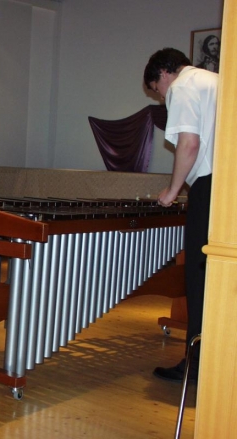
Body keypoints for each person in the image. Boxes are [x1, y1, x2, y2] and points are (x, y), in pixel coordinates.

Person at [143, 48, 218, 383]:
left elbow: (189, 144)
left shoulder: (183, 86)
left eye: (157, 90)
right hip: (227, 187)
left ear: (163, 74)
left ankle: (196, 363)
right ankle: (217, 360)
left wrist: (173, 191)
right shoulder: (217, 81)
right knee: (218, 278)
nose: (162, 97)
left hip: (210, 186)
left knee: (198, 278)